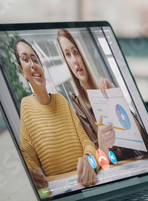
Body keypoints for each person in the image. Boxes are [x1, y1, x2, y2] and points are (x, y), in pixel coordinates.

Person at [55, 28, 148, 160]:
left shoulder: (106, 88)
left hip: (136, 164)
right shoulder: (79, 106)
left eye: (75, 52)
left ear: (83, 53)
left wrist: (117, 98)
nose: (74, 61)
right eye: (67, 55)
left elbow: (146, 145)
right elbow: (100, 159)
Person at [15, 39, 97, 189]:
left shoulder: (61, 100)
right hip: (63, 189)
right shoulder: (26, 106)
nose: (33, 65)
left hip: (88, 183)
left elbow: (87, 143)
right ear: (22, 70)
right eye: (26, 60)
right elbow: (28, 157)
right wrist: (33, 172)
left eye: (35, 59)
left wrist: (88, 159)